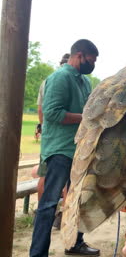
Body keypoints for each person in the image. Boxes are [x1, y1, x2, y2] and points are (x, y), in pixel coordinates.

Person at [30, 39, 100, 257]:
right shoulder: (60, 78)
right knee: (49, 203)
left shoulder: (85, 82)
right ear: (79, 55)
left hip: (79, 150)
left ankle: (75, 244)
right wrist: (85, 118)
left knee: (78, 201)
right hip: (59, 150)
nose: (93, 64)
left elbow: (90, 109)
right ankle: (38, 253)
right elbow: (52, 113)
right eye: (92, 59)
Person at [33, 53, 70, 202]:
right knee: (67, 180)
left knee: (45, 175)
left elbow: (40, 110)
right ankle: (65, 218)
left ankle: (42, 214)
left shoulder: (48, 81)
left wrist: (44, 130)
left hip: (50, 139)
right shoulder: (57, 80)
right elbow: (44, 111)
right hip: (62, 141)